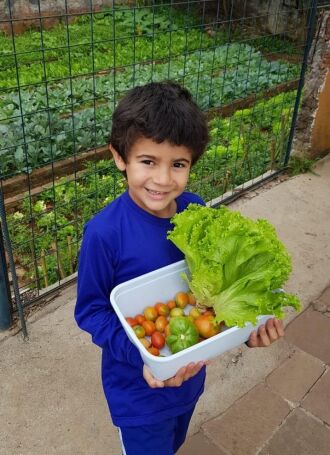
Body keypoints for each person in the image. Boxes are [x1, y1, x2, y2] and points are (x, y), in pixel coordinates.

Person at [74, 81, 284, 455]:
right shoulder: (105, 234)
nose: (163, 179)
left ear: (192, 164)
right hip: (138, 392)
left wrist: (246, 330)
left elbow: (212, 297)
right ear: (120, 157)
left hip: (190, 376)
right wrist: (141, 355)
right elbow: (91, 311)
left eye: (179, 164)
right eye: (148, 161)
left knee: (174, 443)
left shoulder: (195, 211)